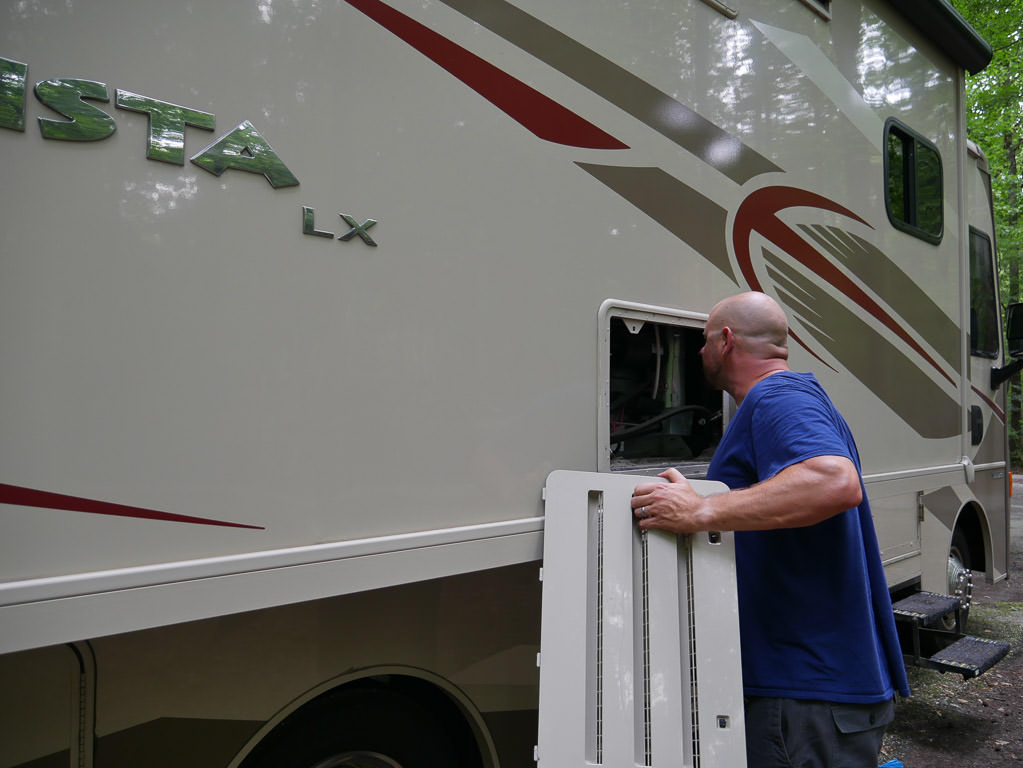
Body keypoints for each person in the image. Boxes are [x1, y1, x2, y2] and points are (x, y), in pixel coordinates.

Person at [630, 291, 909, 768]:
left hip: (805, 696)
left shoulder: (777, 398)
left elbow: (832, 481)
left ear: (725, 341)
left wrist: (702, 512)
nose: (699, 353)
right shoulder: (788, 398)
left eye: (702, 342)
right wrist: (704, 497)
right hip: (813, 691)